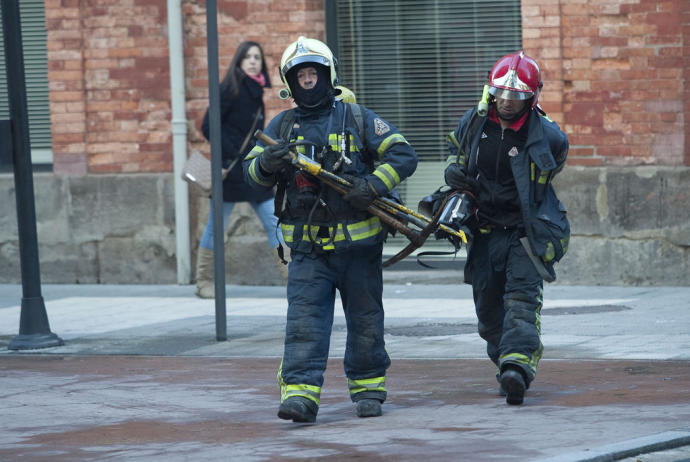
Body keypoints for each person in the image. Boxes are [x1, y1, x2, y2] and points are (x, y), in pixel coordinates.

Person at [243, 36, 418, 422]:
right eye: (300, 74)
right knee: (304, 324)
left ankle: (369, 389)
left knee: (366, 321)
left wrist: (373, 184)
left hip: (359, 252)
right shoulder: (282, 125)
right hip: (308, 253)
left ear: (327, 75)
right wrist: (269, 164)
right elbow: (251, 175)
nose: (308, 81)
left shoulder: (356, 118)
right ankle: (301, 396)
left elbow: (403, 153)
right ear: (290, 82)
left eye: (313, 73)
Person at [443, 51, 569, 405]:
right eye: (502, 93)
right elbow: (457, 153)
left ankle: (518, 365)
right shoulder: (474, 123)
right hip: (484, 231)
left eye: (517, 96)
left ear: (532, 97)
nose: (508, 101)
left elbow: (554, 162)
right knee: (488, 310)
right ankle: (505, 362)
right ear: (491, 91)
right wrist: (455, 175)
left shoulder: (546, 135)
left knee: (521, 301)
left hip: (524, 233)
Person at [196, 41, 285, 298]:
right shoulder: (230, 89)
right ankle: (204, 282)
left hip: (253, 171)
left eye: (257, 57)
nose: (253, 61)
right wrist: (234, 151)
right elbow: (207, 125)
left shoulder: (256, 91)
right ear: (239, 61)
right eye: (247, 57)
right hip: (229, 171)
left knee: (273, 221)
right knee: (216, 226)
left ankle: (293, 278)